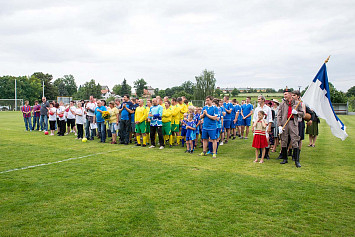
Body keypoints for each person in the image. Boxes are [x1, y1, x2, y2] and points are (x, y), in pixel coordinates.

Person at [278, 88, 304, 167]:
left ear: (290, 94)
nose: (284, 96)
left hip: (293, 123)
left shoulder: (297, 103)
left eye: (286, 94)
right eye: (284, 94)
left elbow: (303, 114)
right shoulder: (282, 104)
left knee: (295, 140)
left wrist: (297, 113)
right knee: (284, 140)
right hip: (284, 123)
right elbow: (279, 115)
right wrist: (279, 125)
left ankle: (296, 160)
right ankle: (285, 158)